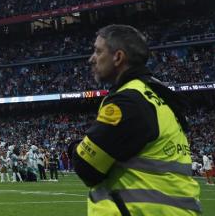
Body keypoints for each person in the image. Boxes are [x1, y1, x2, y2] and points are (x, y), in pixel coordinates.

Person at [70, 25, 201, 215]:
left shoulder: (128, 101)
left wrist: (74, 146)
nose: (91, 58)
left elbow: (86, 167)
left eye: (98, 51)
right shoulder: (155, 94)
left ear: (118, 57)